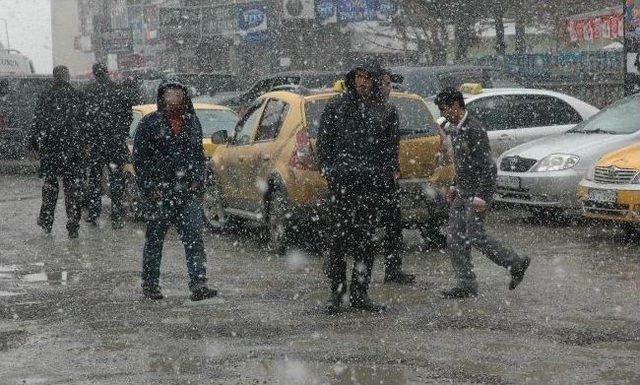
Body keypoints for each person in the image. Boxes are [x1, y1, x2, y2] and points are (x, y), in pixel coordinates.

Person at [434, 87, 530, 299]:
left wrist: (482, 197)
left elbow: (488, 167)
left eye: (444, 109)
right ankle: (466, 284)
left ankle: (515, 262)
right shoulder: (455, 128)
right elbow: (462, 165)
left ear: (456, 105)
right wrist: (453, 185)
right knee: (455, 238)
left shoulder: (473, 129)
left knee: (475, 236)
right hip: (462, 192)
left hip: (476, 193)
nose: (442, 114)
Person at [317, 60, 394, 313]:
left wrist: (384, 175)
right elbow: (324, 142)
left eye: (367, 78)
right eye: (358, 77)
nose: (362, 82)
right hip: (342, 184)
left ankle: (360, 292)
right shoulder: (337, 106)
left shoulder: (383, 110)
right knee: (338, 240)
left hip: (370, 186)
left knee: (366, 241)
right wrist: (329, 169)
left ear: (373, 81)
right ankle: (337, 293)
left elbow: (389, 148)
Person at [132, 82, 217, 301]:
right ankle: (150, 284)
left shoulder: (191, 123)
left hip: (187, 193)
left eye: (178, 95)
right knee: (155, 240)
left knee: (194, 238)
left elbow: (199, 156)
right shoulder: (149, 124)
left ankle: (198, 284)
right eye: (169, 95)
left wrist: (197, 182)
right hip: (160, 193)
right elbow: (140, 161)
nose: (174, 99)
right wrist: (151, 187)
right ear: (162, 98)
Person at [28, 65, 84, 238]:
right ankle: (73, 221)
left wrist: (33, 145)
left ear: (54, 77)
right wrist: (86, 142)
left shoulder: (45, 96)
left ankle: (46, 220)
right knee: (72, 186)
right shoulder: (77, 95)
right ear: (67, 77)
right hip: (72, 148)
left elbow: (37, 122)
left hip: (51, 147)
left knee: (50, 185)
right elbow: (86, 121)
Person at [83, 63, 134, 229]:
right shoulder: (118, 90)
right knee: (117, 180)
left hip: (97, 144)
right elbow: (128, 115)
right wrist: (120, 133)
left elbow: (84, 117)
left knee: (95, 179)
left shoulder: (89, 91)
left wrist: (89, 138)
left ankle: (93, 213)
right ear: (106, 72)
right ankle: (117, 216)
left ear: (94, 74)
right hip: (115, 143)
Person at [378, 70, 415, 284]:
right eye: (384, 84)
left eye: (389, 84)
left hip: (386, 176)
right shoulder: (365, 110)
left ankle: (393, 269)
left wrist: (393, 168)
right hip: (366, 177)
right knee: (359, 225)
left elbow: (392, 145)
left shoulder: (390, 110)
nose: (388, 88)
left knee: (393, 224)